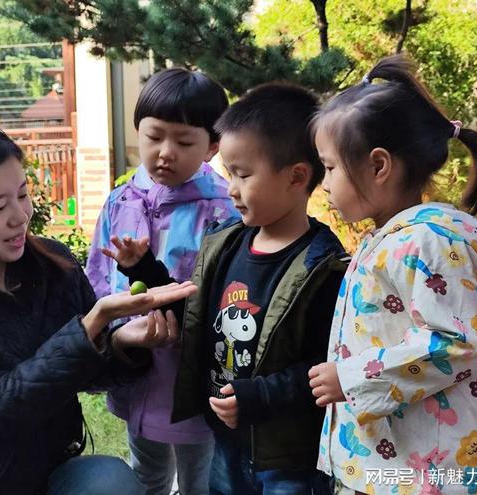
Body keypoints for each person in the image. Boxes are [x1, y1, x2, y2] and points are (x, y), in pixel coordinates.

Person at [0, 120, 197, 495]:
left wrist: (121, 342)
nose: (20, 216)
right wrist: (92, 323)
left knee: (108, 481)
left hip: (50, 465)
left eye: (23, 194)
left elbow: (82, 371)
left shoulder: (52, 266)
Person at [106, 83, 346, 494]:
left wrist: (257, 397)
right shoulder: (226, 243)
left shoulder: (321, 266)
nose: (230, 187)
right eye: (229, 173)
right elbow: (195, 315)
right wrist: (142, 268)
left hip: (286, 456)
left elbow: (323, 367)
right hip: (227, 442)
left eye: (243, 174)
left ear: (297, 177)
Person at [308, 55, 477, 495]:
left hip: (424, 476)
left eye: (330, 167)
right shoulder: (398, 236)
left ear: (379, 166)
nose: (324, 184)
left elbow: (454, 342)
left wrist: (352, 377)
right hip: (391, 460)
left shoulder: (430, 241)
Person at [85, 68, 236, 494]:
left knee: (199, 475)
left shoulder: (223, 209)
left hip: (194, 368)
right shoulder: (122, 200)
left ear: (212, 147)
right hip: (137, 362)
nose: (165, 152)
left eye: (184, 141)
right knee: (147, 468)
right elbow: (98, 278)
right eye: (154, 137)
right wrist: (111, 337)